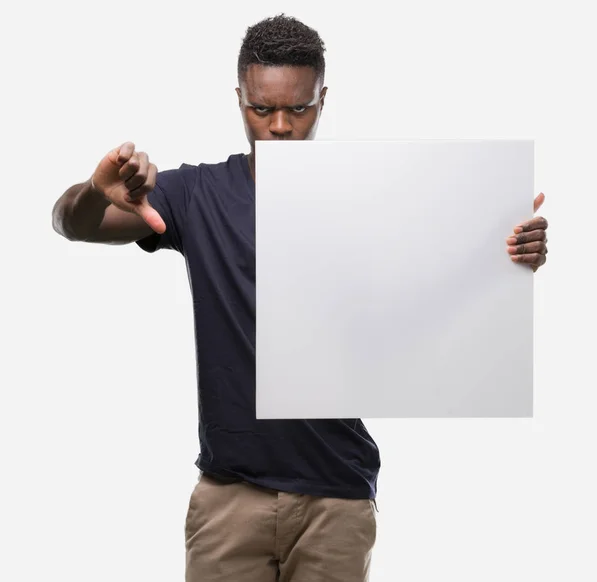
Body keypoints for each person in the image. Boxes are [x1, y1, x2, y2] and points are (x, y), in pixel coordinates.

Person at [51, 13, 549, 582]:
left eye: (300, 108)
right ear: (240, 98)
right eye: (262, 109)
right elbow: (73, 224)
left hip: (336, 495)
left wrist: (512, 254)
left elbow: (432, 296)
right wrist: (94, 191)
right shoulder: (198, 194)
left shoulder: (370, 199)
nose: (281, 126)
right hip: (229, 497)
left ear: (323, 97)